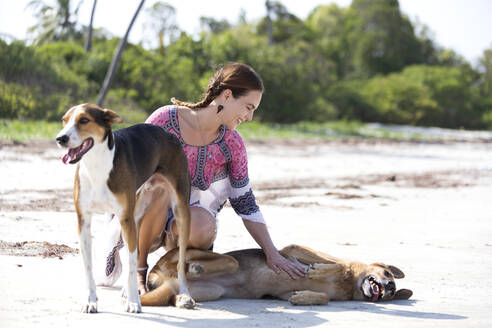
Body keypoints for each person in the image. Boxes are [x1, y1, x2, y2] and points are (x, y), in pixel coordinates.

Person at [101, 63, 306, 295]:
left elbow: (245, 203)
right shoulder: (164, 120)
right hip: (144, 217)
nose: (250, 117)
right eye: (248, 107)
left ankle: (175, 268)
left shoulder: (233, 144)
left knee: (203, 223)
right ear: (227, 96)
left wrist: (272, 253)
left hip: (185, 229)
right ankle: (138, 272)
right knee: (159, 183)